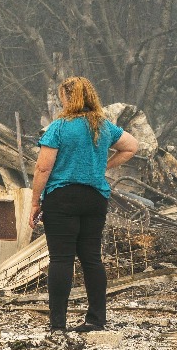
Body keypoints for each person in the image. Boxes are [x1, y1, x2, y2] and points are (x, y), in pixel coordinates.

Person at [29, 76, 138, 333]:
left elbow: (43, 167)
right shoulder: (103, 126)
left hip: (62, 198)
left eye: (62, 98)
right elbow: (132, 146)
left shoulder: (59, 127)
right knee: (91, 259)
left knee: (61, 259)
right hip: (95, 199)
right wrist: (102, 167)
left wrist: (34, 202)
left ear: (68, 99)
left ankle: (58, 325)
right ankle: (96, 320)